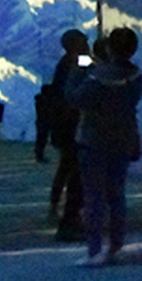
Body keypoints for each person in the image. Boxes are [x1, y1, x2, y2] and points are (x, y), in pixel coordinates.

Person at [65, 26, 142, 266]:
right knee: (117, 195)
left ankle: (95, 250)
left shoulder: (97, 78)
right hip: (124, 138)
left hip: (94, 140)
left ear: (109, 48)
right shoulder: (137, 76)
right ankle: (116, 246)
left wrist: (77, 70)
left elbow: (73, 98)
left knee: (94, 197)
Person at [47, 29, 89, 241]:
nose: (87, 44)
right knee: (74, 170)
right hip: (72, 126)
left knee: (66, 168)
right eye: (83, 41)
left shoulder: (66, 63)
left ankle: (57, 205)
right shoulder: (74, 63)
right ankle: (71, 216)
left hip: (66, 127)